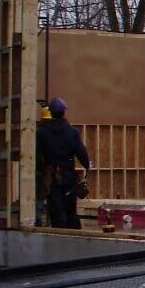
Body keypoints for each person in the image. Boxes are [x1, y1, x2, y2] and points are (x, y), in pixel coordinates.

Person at [36, 97, 91, 228]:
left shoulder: (42, 133)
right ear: (63, 112)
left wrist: (40, 173)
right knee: (70, 210)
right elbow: (81, 152)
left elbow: (37, 156)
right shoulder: (72, 132)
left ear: (51, 112)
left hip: (51, 177)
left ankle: (58, 239)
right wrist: (87, 165)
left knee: (56, 211)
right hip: (68, 176)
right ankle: (76, 239)